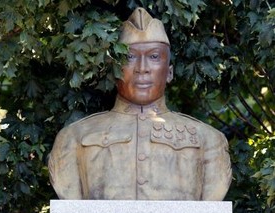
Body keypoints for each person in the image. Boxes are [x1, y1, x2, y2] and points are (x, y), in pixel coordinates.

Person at [48, 7, 231, 200]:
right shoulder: (73, 137)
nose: (142, 69)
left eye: (153, 57)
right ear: (114, 71)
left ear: (169, 72)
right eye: (129, 57)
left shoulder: (209, 140)